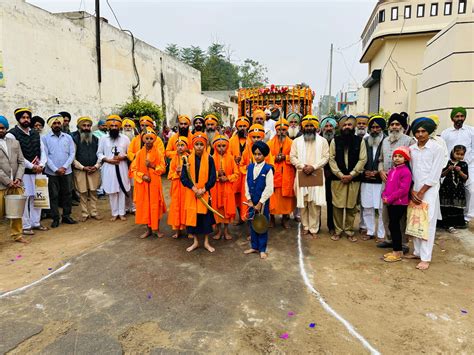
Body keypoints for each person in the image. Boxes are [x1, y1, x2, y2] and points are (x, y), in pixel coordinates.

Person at [408, 117, 445, 270]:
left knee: (427, 223)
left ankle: (425, 257)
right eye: (417, 131)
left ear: (429, 132)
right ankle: (417, 252)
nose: (420, 134)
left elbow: (435, 173)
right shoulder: (412, 149)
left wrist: (422, 191)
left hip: (429, 191)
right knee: (415, 220)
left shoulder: (437, 148)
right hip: (414, 190)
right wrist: (411, 190)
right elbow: (409, 171)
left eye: (424, 131)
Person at [7, 108, 48, 235]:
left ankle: (36, 223)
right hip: (23, 173)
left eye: (28, 117)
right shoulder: (12, 134)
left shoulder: (35, 133)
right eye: (23, 117)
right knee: (24, 199)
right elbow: (16, 155)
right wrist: (31, 166)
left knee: (38, 197)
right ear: (18, 119)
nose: (26, 120)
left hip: (38, 171)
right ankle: (25, 225)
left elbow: (43, 151)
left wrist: (41, 164)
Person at [377, 113, 415, 251]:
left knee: (400, 216)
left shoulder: (409, 141)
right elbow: (380, 160)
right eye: (392, 124)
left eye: (397, 124)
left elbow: (412, 164)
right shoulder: (385, 140)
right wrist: (381, 171)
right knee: (386, 213)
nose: (394, 127)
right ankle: (389, 239)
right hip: (386, 182)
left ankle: (403, 243)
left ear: (403, 126)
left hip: (401, 184)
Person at [329, 116, 367, 242]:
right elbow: (331, 159)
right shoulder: (335, 140)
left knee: (351, 206)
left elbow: (363, 159)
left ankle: (350, 231)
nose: (347, 127)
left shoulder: (359, 141)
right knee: (338, 206)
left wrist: (352, 174)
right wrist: (340, 174)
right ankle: (338, 230)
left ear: (353, 127)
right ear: (340, 127)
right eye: (344, 125)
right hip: (337, 179)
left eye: (349, 125)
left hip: (353, 179)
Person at [290, 115, 329, 237]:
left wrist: (314, 166)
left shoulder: (323, 141)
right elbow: (292, 157)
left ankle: (314, 228)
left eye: (311, 125)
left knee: (314, 204)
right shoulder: (297, 141)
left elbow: (326, 157)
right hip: (302, 173)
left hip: (316, 173)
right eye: (306, 125)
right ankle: (305, 226)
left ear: (315, 127)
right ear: (303, 127)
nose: (309, 127)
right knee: (304, 203)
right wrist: (302, 166)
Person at [180, 133, 217, 253]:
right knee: (193, 218)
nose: (199, 147)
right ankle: (195, 242)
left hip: (204, 193)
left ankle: (206, 242)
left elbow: (212, 178)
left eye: (202, 144)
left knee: (206, 219)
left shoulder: (210, 159)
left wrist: (204, 189)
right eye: (197, 144)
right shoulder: (186, 159)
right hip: (192, 193)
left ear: (205, 145)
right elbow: (184, 178)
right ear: (193, 145)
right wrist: (194, 188)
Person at [131, 127, 167, 239]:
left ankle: (156, 229)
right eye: (147, 138)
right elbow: (133, 169)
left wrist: (152, 166)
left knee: (155, 205)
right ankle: (148, 229)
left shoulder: (159, 153)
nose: (149, 140)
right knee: (145, 206)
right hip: (143, 184)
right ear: (143, 139)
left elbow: (163, 168)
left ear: (154, 139)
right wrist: (143, 176)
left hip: (155, 184)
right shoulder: (139, 153)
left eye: (151, 138)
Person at [441, 107, 474, 225]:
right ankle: (448, 218)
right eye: (457, 116)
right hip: (450, 166)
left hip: (468, 165)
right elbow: (443, 149)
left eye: (462, 116)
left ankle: (467, 217)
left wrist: (468, 162)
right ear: (452, 118)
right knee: (448, 191)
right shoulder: (446, 132)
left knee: (471, 190)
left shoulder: (471, 131)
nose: (460, 119)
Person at [42, 114, 77, 228]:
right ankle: (55, 218)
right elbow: (45, 156)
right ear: (51, 125)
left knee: (67, 194)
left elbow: (72, 154)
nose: (57, 125)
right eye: (54, 123)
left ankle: (66, 216)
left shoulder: (68, 137)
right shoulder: (45, 138)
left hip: (66, 172)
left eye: (58, 123)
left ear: (61, 124)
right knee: (54, 195)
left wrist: (64, 167)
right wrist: (56, 169)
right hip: (52, 173)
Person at [381, 146, 412, 262]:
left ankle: (398, 252)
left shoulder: (405, 172)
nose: (397, 158)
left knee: (395, 226)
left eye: (400, 156)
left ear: (406, 159)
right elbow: (388, 186)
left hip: (399, 204)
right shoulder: (393, 170)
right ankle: (396, 250)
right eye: (396, 156)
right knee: (392, 225)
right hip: (390, 202)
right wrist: (384, 196)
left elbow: (403, 190)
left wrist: (389, 199)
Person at [244, 141, 274, 259]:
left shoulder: (268, 169)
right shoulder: (250, 167)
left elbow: (269, 188)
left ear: (264, 155)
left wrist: (261, 202)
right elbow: (246, 183)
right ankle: (254, 246)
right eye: (255, 154)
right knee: (252, 223)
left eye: (260, 154)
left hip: (263, 203)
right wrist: (249, 199)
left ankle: (262, 249)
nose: (257, 156)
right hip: (251, 202)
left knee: (262, 224)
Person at [97, 115, 131, 221]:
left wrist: (122, 157)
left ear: (119, 126)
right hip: (109, 167)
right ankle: (114, 213)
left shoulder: (125, 138)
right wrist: (107, 160)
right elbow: (99, 153)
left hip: (122, 167)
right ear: (108, 127)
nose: (114, 127)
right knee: (112, 191)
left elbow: (130, 154)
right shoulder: (103, 139)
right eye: (112, 125)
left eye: (116, 125)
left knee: (121, 189)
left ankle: (122, 212)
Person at [0, 116, 28, 243]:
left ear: (6, 128)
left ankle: (17, 235)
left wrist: (17, 179)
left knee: (16, 212)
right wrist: (8, 181)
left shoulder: (15, 143)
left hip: (16, 184)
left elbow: (21, 162)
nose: (0, 130)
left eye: (2, 128)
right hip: (2, 184)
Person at [360, 115, 386, 242]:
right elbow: (360, 158)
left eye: (377, 127)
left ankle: (381, 234)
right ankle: (370, 231)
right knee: (367, 206)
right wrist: (364, 172)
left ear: (382, 128)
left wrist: (377, 172)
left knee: (381, 208)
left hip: (381, 180)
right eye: (372, 127)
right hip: (366, 179)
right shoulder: (365, 140)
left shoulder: (386, 141)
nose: (375, 130)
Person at [72, 116, 102, 222]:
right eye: (84, 125)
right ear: (79, 126)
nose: (86, 128)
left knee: (93, 192)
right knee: (82, 192)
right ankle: (85, 213)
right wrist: (82, 167)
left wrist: (96, 166)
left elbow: (100, 154)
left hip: (94, 169)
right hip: (80, 170)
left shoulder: (96, 139)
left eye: (88, 126)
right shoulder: (74, 139)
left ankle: (94, 212)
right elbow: (73, 157)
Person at [268, 118, 296, 229]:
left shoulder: (292, 143)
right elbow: (267, 157)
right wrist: (275, 158)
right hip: (274, 175)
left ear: (287, 130)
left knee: (287, 199)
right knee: (272, 198)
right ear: (276, 130)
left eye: (284, 130)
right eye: (279, 130)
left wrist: (286, 157)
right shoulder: (270, 143)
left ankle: (285, 218)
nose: (281, 132)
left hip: (287, 176)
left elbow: (295, 157)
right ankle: (272, 219)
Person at [211, 134, 239, 240]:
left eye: (223, 146)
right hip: (216, 188)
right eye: (219, 146)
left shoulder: (231, 158)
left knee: (227, 209)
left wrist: (227, 178)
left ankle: (226, 231)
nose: (221, 148)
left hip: (227, 188)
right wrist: (218, 174)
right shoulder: (211, 159)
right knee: (217, 209)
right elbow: (208, 174)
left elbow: (236, 174)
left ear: (227, 146)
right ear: (215, 147)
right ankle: (218, 231)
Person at [439, 145, 469, 233]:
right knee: (447, 206)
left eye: (462, 154)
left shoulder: (464, 164)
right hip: (447, 188)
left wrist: (459, 171)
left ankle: (456, 223)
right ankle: (447, 224)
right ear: (453, 152)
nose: (459, 156)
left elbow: (466, 177)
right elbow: (441, 175)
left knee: (456, 207)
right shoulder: (447, 162)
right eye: (457, 154)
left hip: (458, 188)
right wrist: (448, 169)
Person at [229, 116, 250, 225]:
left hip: (247, 172)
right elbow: (228, 155)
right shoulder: (231, 140)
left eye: (244, 126)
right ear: (237, 127)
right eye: (240, 126)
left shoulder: (251, 139)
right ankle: (241, 218)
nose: (242, 128)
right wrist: (234, 159)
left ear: (248, 127)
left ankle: (248, 217)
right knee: (237, 195)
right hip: (236, 172)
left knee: (247, 195)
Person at [167, 136, 189, 238]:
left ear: (186, 146)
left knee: (186, 207)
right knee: (176, 207)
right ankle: (177, 230)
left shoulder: (189, 158)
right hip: (176, 186)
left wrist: (184, 172)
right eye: (178, 145)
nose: (180, 147)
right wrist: (177, 172)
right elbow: (170, 175)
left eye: (182, 145)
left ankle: (190, 230)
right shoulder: (173, 159)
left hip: (186, 187)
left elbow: (192, 174)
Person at [320, 116, 337, 234]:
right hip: (319, 174)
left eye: (331, 126)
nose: (328, 128)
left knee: (332, 202)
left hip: (334, 176)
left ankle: (331, 226)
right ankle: (317, 225)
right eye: (326, 126)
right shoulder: (319, 140)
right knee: (317, 201)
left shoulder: (338, 140)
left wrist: (332, 171)